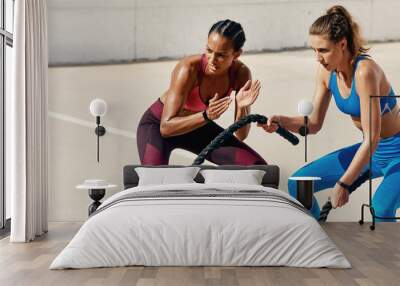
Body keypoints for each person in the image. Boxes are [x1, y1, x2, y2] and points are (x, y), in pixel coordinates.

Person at [259, 5, 400, 221]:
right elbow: (313, 124)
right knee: (298, 185)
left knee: (380, 208)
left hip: (394, 149)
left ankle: (386, 255)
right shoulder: (326, 73)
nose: (318, 57)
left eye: (323, 50)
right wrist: (283, 121)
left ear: (342, 44)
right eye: (314, 50)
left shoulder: (365, 71)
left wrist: (343, 183)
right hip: (374, 151)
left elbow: (372, 138)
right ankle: (323, 241)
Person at [137, 19, 266, 165]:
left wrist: (242, 108)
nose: (212, 59)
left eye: (221, 55)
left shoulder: (241, 74)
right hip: (157, 127)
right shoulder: (189, 69)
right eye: (209, 50)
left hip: (198, 127)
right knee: (155, 180)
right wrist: (206, 115)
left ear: (236, 54)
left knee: (258, 167)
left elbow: (241, 135)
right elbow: (166, 128)